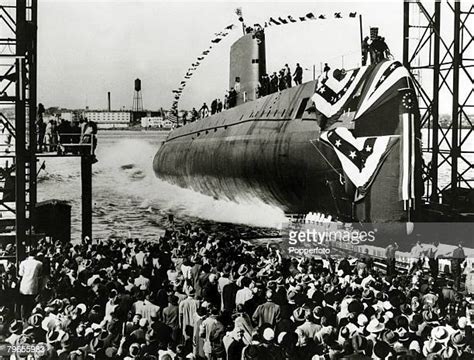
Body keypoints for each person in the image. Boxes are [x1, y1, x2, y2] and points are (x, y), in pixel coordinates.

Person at [18, 249, 43, 320]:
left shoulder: (23, 263)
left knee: (23, 303)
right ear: (35, 255)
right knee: (32, 303)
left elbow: (20, 274)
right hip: (33, 285)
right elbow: (40, 275)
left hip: (24, 286)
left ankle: (23, 318)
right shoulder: (39, 263)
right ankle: (31, 319)